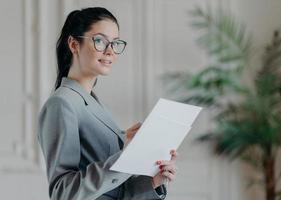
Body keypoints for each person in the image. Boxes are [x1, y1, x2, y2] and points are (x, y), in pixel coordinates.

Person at [38, 7, 178, 200]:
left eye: (115, 43)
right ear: (74, 44)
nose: (110, 51)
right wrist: (125, 157)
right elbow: (63, 193)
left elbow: (116, 192)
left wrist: (154, 181)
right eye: (100, 41)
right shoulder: (62, 104)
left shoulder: (95, 104)